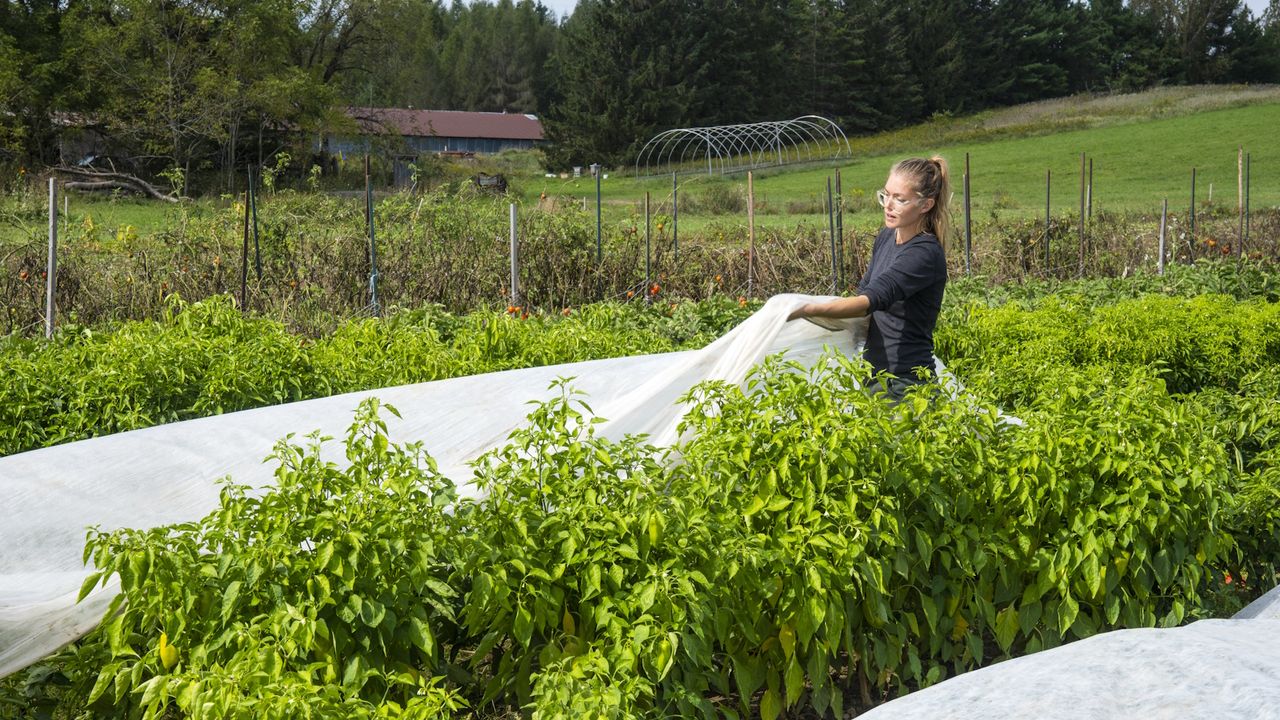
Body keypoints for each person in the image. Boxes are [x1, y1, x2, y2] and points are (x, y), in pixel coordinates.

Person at [787, 156, 951, 401]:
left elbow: (869, 301)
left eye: (900, 199)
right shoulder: (887, 237)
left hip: (907, 383)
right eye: (886, 195)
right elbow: (864, 294)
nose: (888, 205)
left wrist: (803, 309)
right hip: (874, 375)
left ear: (926, 205)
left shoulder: (924, 253)